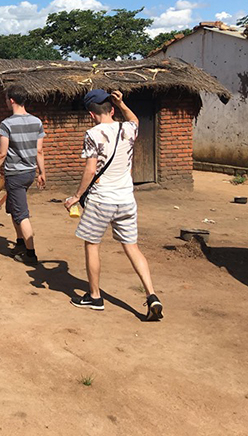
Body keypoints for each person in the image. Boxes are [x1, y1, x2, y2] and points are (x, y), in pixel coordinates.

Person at [63, 89, 163, 321]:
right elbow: (135, 119)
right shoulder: (128, 128)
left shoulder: (93, 134)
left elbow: (90, 169)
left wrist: (76, 196)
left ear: (91, 114)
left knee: (92, 245)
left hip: (101, 201)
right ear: (112, 109)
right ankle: (152, 294)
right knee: (132, 247)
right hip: (126, 199)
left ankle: (95, 297)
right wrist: (123, 103)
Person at [0, 84, 46, 264]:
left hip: (15, 174)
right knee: (13, 207)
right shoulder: (36, 122)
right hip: (29, 172)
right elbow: (39, 151)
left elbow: (2, 153)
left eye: (6, 99)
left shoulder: (7, 124)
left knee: (21, 213)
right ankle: (20, 243)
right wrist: (41, 172)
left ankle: (31, 254)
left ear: (11, 100)